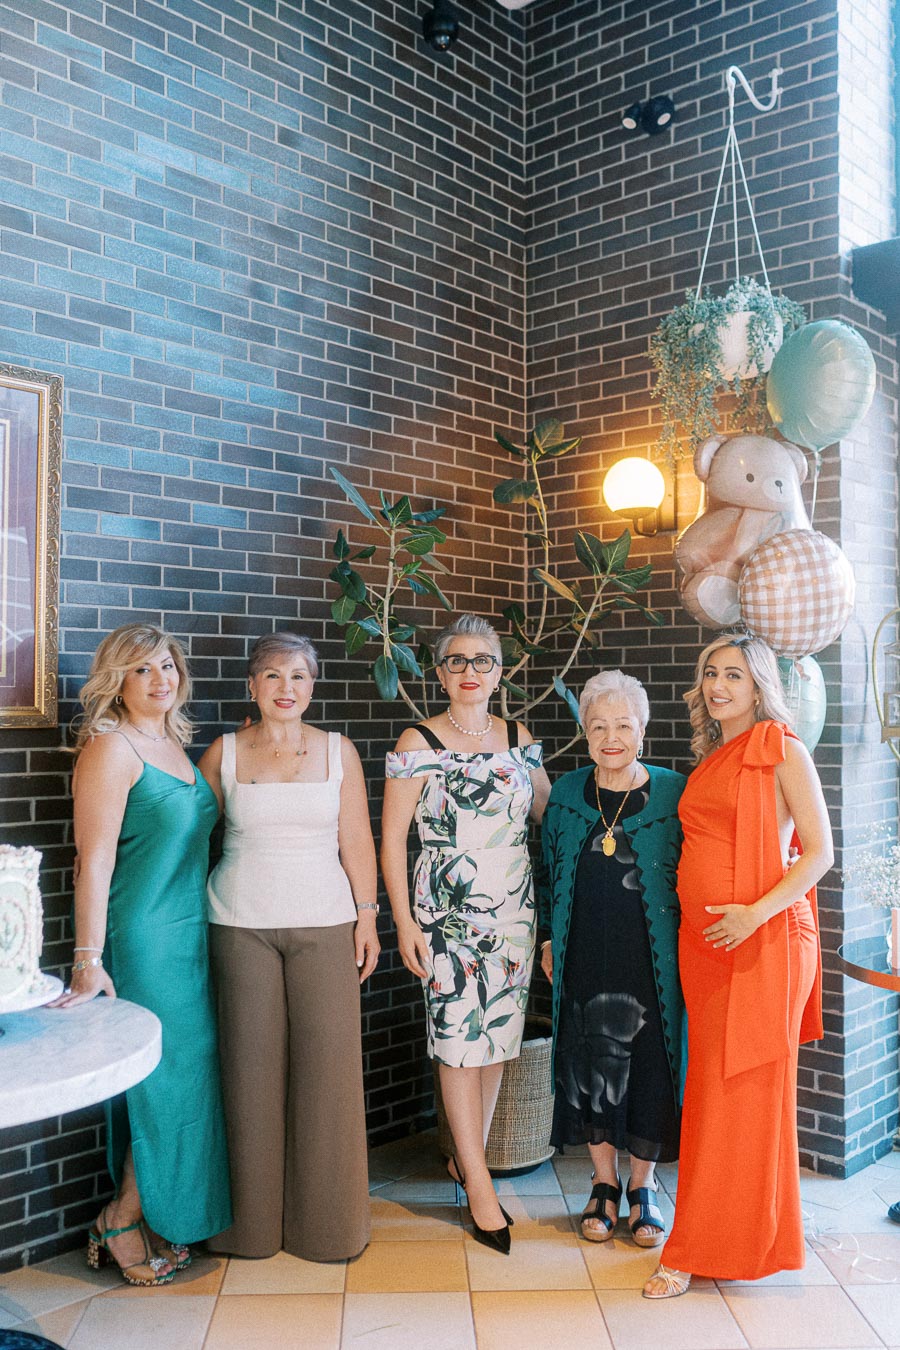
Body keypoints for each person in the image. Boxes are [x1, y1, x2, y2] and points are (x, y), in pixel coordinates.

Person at [644, 631, 832, 1298]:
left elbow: (818, 853)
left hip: (764, 942)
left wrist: (753, 913)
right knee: (713, 1095)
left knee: (741, 1097)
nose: (719, 686)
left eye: (734, 675)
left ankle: (694, 1249)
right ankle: (734, 1237)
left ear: (759, 686)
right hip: (707, 948)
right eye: (711, 673)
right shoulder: (715, 754)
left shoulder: (782, 747)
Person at [51, 624, 232, 1286]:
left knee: (187, 1078)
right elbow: (92, 862)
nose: (161, 680)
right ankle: (119, 1218)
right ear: (117, 682)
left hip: (191, 935)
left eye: (168, 667)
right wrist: (87, 958)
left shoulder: (176, 745)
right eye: (142, 670)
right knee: (166, 1080)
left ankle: (151, 1209)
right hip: (145, 938)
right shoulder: (112, 747)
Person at [199, 631, 379, 1263]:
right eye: (273, 675)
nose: (285, 688)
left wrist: (367, 917)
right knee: (247, 1075)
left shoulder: (338, 751)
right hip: (237, 924)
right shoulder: (222, 752)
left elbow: (357, 839)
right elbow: (190, 835)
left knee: (329, 1077)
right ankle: (244, 1231)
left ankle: (328, 1231)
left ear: (312, 686)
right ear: (252, 685)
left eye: (298, 676)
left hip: (328, 924)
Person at [381, 614, 551, 1255]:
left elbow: (549, 811)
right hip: (447, 913)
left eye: (483, 661)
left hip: (513, 912)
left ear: (499, 673)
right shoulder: (417, 741)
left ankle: (466, 1158)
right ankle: (480, 1185)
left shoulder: (519, 738)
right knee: (457, 1041)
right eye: (457, 660)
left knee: (497, 1041)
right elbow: (392, 839)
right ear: (440, 671)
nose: (470, 671)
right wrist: (403, 922)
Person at [541, 671, 686, 1248]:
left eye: (623, 725)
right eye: (598, 726)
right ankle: (603, 1183)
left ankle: (643, 1187)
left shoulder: (674, 793)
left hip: (653, 960)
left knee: (649, 1064)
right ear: (584, 732)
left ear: (643, 730)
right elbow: (548, 872)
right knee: (589, 1065)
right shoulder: (565, 795)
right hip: (583, 955)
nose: (611, 738)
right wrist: (549, 940)